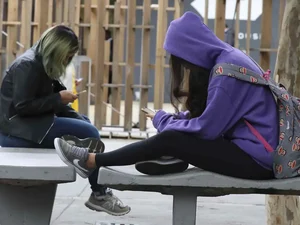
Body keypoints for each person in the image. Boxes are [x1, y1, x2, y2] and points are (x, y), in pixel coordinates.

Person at [53, 12, 277, 181]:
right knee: (174, 137)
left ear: (189, 51)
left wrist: (164, 121)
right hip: (255, 150)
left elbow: (207, 129)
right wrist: (175, 119)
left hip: (258, 160)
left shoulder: (225, 72)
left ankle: (91, 161)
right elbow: (219, 113)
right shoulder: (230, 59)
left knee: (170, 139)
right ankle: (173, 155)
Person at [0, 25, 130, 216]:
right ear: (57, 50)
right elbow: (23, 107)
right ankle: (100, 194)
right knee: (90, 134)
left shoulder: (42, 62)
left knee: (86, 126)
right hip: (16, 131)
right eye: (67, 56)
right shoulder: (28, 65)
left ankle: (88, 169)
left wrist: (79, 119)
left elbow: (58, 104)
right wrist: (59, 99)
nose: (68, 61)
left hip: (31, 125)